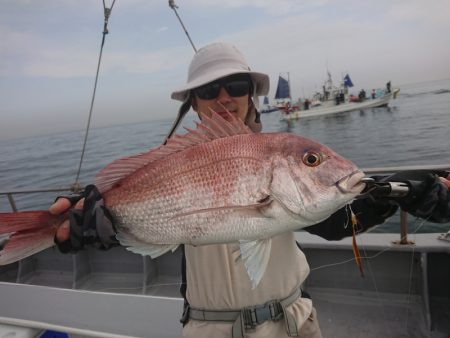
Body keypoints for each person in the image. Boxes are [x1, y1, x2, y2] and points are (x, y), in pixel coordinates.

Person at [50, 42, 450, 338]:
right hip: (209, 329)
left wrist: (404, 193)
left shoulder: (277, 154)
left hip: (295, 322)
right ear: (193, 103)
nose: (224, 97)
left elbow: (329, 223)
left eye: (236, 85)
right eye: (208, 91)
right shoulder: (167, 165)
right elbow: (147, 220)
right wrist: (95, 223)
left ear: (250, 94)